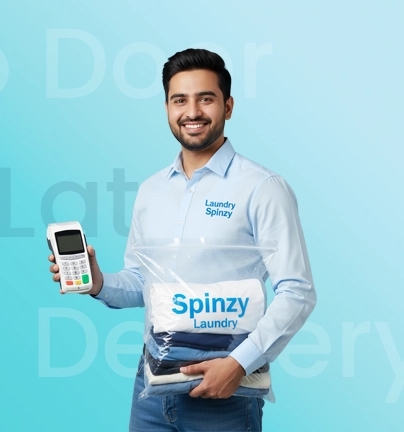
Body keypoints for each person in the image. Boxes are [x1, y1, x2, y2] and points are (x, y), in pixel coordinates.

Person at [47, 49, 316, 431]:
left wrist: (239, 364)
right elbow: (143, 283)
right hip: (152, 391)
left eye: (206, 98)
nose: (192, 111)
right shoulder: (151, 190)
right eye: (180, 100)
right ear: (167, 108)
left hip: (224, 393)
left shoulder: (263, 188)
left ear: (228, 106)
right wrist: (98, 280)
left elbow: (298, 291)